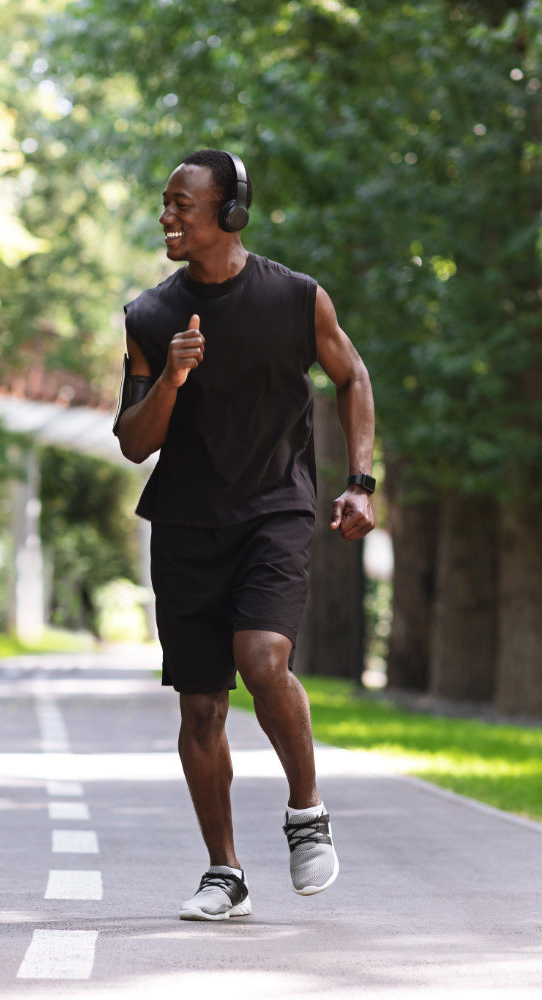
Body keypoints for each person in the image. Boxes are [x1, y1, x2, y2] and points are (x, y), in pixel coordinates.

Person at [114, 150, 375, 921]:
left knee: (263, 659)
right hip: (186, 522)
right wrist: (169, 378)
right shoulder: (149, 316)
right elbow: (133, 441)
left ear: (230, 213)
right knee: (201, 708)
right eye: (164, 203)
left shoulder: (296, 298)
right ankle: (224, 871)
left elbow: (352, 376)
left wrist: (360, 482)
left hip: (274, 508)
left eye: (182, 204)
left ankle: (306, 811)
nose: (167, 216)